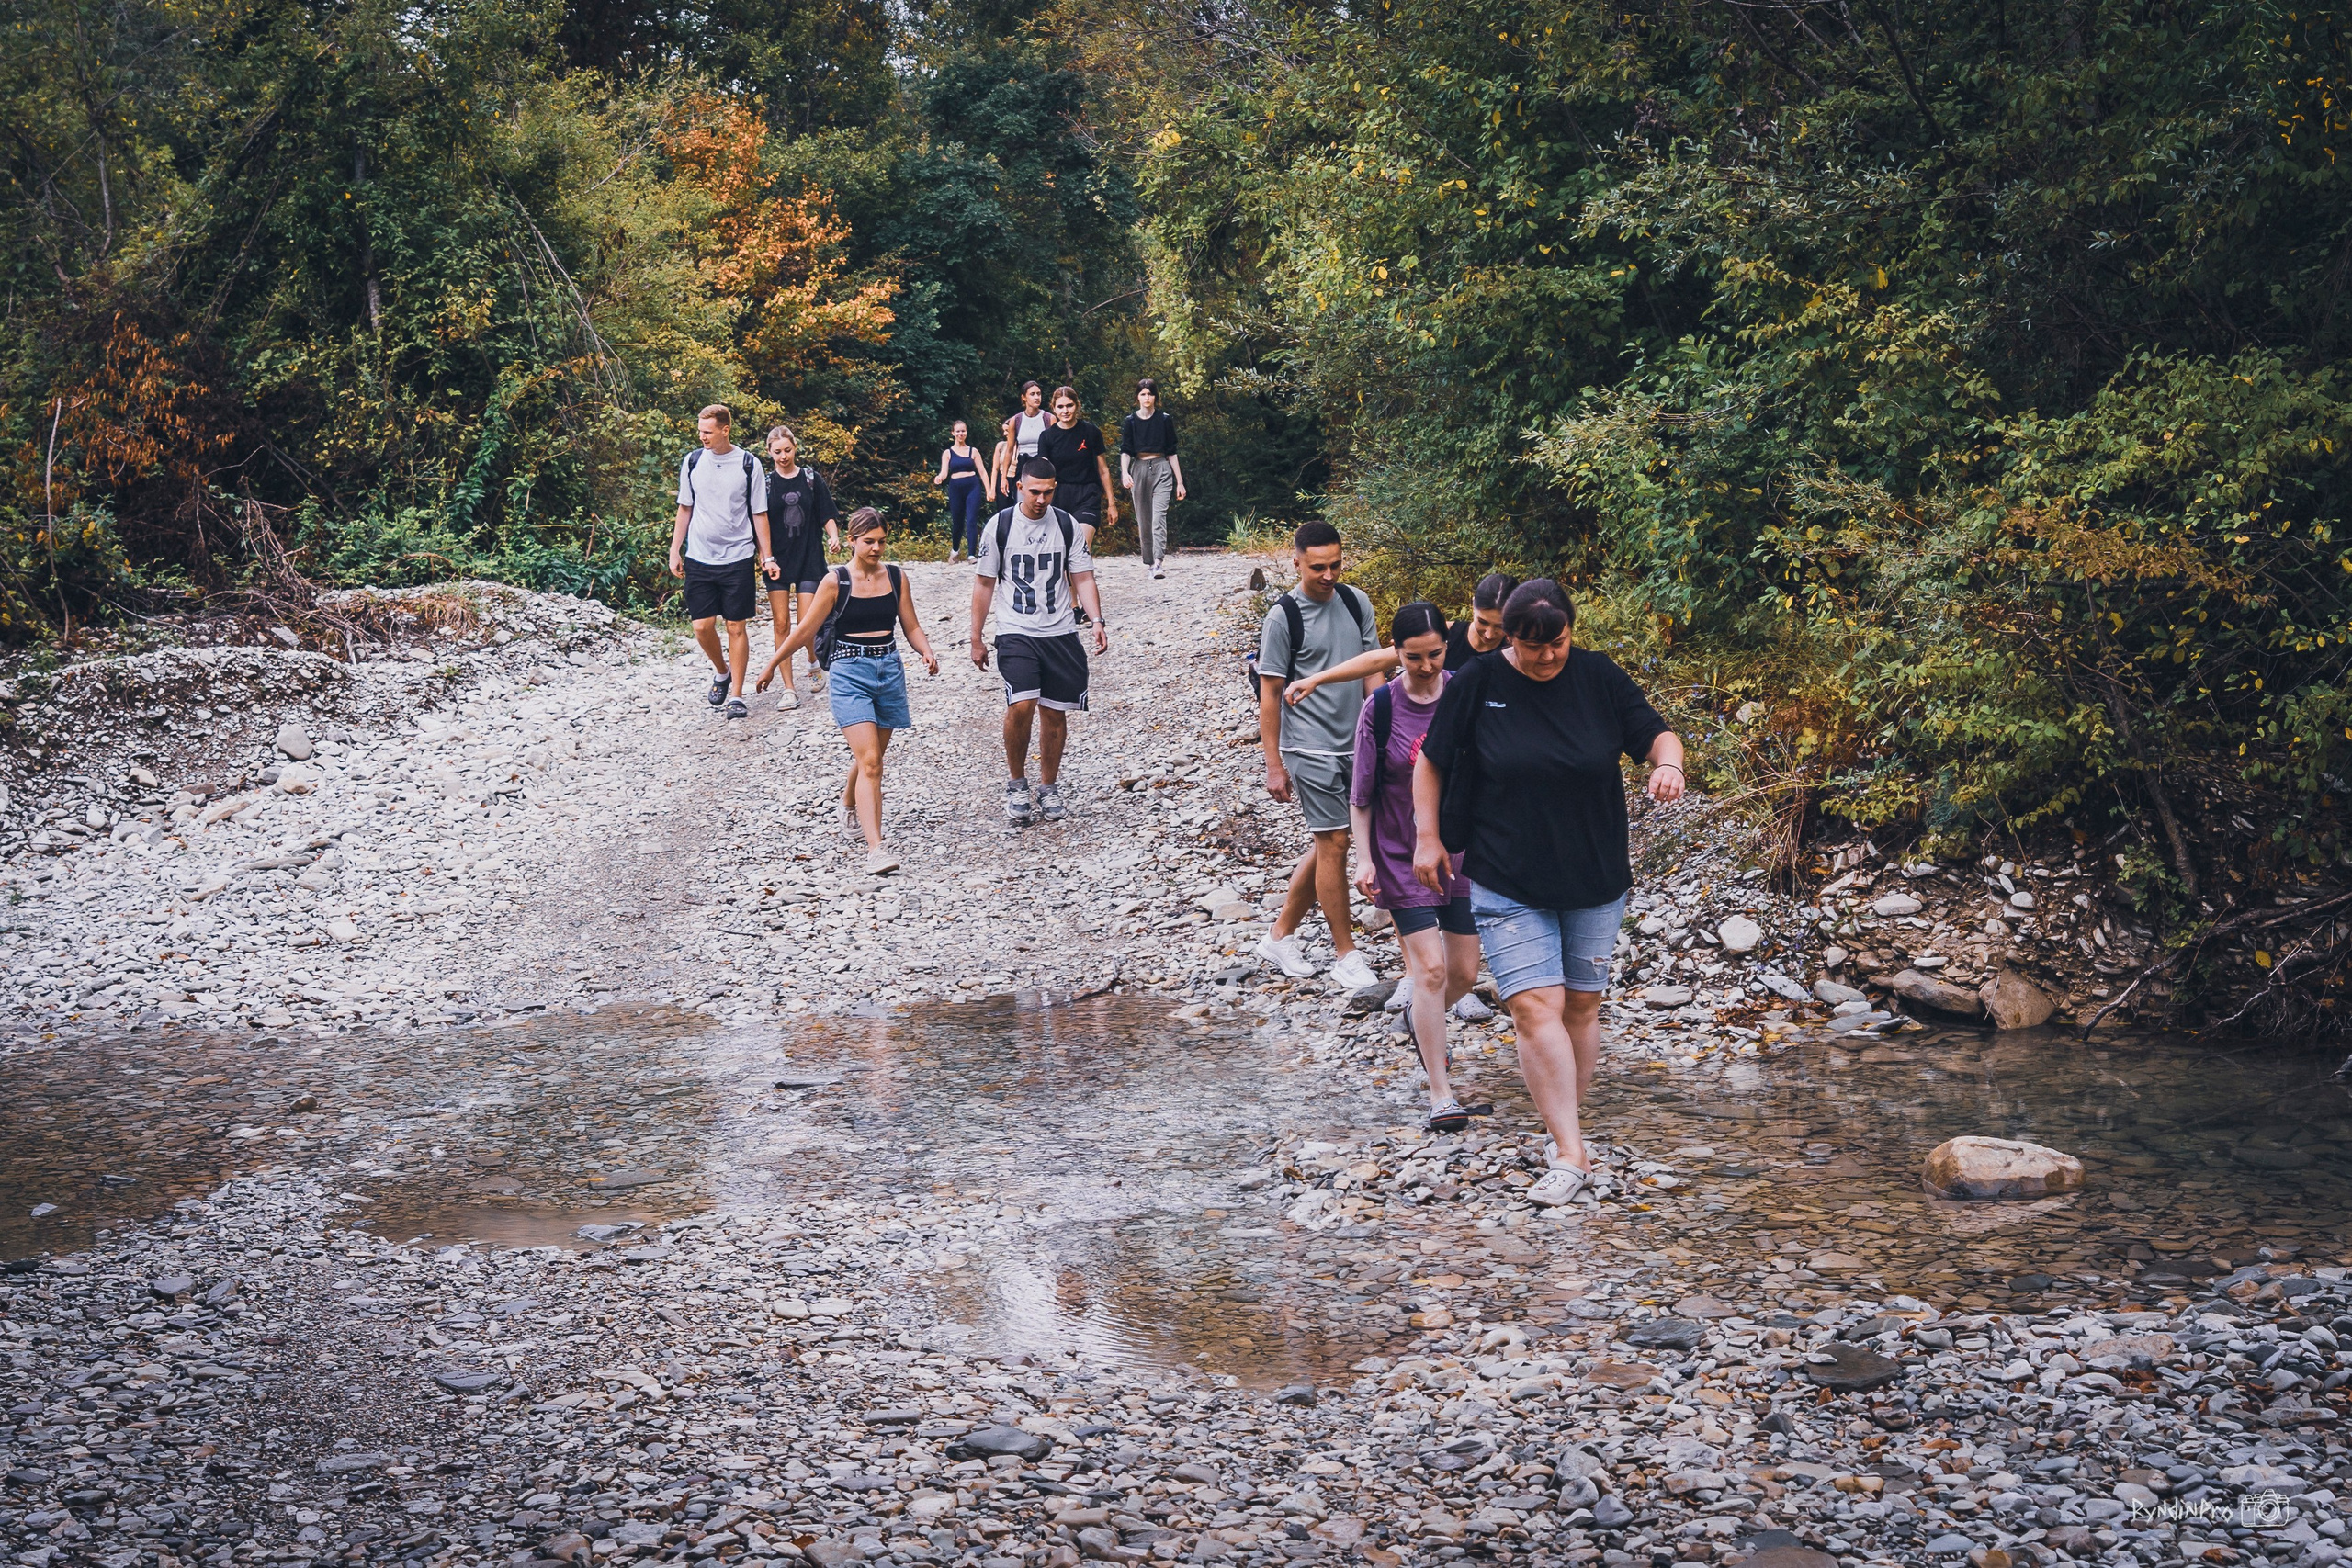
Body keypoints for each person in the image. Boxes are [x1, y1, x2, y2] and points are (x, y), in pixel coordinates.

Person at [1413, 579, 1688, 1206]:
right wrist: (1428, 838)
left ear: (1570, 629)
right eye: (1531, 646)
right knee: (1534, 1007)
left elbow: (1658, 734)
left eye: (1556, 642)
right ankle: (1571, 1152)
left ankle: (1562, 1122)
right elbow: (1431, 760)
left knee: (1581, 1008)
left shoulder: (1597, 676)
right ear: (1508, 637)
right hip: (1506, 874)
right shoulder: (1479, 683)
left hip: (1594, 874)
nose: (1546, 657)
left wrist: (1668, 764)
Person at [1350, 601, 1486, 1132]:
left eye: (1433, 655)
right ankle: (1440, 1092)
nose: (1425, 667)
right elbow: (1361, 796)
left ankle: (1417, 1018)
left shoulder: (1467, 692)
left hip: (1463, 854)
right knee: (1428, 970)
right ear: (1395, 652)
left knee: (1463, 974)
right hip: (1400, 855)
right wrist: (1364, 859)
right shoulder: (1380, 709)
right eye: (1412, 658)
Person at [758, 509, 941, 877]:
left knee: (870, 756)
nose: (876, 548)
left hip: (888, 669)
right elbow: (804, 631)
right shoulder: (835, 581)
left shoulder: (896, 576)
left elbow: (911, 625)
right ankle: (876, 850)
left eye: (881, 541)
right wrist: (771, 665)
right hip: (848, 671)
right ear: (852, 540)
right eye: (868, 541)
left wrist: (926, 650)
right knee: (872, 760)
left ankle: (848, 803)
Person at [1253, 521, 1382, 986]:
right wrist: (1273, 764)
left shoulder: (1355, 601)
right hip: (1308, 744)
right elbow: (1270, 693)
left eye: (1336, 565)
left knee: (1330, 842)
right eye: (1318, 567)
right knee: (1336, 843)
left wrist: (1385, 732)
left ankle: (1279, 935)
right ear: (1297, 563)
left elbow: (1373, 671)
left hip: (1356, 742)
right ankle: (1346, 954)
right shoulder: (1283, 616)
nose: (1329, 575)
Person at [971, 458, 1109, 826]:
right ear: (1019, 487)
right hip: (1015, 628)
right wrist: (976, 637)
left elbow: (1082, 577)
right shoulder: (999, 526)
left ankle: (1048, 786)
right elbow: (984, 584)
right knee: (1022, 703)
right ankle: (1017, 782)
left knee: (1054, 710)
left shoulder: (1066, 525)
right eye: (1034, 491)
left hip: (1060, 629)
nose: (1041, 499)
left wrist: (1096, 620)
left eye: (1048, 492)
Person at [670, 404, 779, 721]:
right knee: (702, 626)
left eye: (707, 431)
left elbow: (759, 513)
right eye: (700, 431)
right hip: (700, 556)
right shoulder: (692, 461)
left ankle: (736, 696)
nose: (702, 437)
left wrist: (766, 556)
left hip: (738, 556)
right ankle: (722, 671)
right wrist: (675, 550)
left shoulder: (748, 464)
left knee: (735, 625)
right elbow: (684, 508)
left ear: (725, 430)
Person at [1280, 571, 1518, 699]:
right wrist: (1316, 679)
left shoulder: (1519, 651)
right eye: (1482, 622)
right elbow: (1376, 660)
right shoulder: (1443, 633)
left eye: (1500, 626)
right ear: (1473, 604)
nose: (1489, 634)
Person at [763, 424, 842, 711]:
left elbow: (827, 513)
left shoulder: (811, 479)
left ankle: (812, 661)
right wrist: (764, 556)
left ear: (795, 448)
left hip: (809, 557)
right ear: (769, 452)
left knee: (807, 623)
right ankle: (788, 688)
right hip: (777, 562)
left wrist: (833, 536)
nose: (783, 456)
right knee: (781, 623)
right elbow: (759, 523)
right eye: (777, 452)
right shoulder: (766, 483)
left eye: (787, 450)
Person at [1035, 386, 1118, 547]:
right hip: (1058, 497)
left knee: (1081, 546)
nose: (1065, 411)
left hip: (1087, 494)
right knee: (1061, 550)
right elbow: (1043, 474)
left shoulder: (1091, 432)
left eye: (1069, 405)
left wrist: (1111, 503)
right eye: (1060, 406)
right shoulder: (1047, 437)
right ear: (1053, 408)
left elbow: (1103, 470)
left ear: (1077, 406)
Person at [1120, 378, 1186, 578]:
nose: (1146, 397)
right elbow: (1125, 450)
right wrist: (1125, 472)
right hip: (1139, 468)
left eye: (1150, 393)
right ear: (1137, 397)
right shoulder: (1130, 421)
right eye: (1142, 394)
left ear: (1155, 397)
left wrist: (1180, 482)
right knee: (1144, 518)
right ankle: (1149, 560)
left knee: (1159, 517)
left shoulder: (1164, 420)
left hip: (1162, 468)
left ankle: (1158, 561)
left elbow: (1172, 451)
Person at [934, 419, 993, 564]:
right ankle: (955, 550)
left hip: (972, 486)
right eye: (958, 431)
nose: (961, 433)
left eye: (963, 431)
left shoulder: (973, 451)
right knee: (957, 522)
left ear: (966, 432)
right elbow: (944, 472)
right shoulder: (948, 453)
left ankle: (972, 554)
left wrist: (989, 490)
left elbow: (983, 472)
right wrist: (939, 478)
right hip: (956, 488)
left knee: (972, 519)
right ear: (953, 433)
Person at [997, 381, 1050, 502]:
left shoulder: (1048, 418)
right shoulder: (1016, 420)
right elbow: (1009, 450)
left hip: (1042, 466)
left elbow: (1055, 448)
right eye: (1032, 394)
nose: (1037, 397)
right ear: (1024, 397)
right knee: (1022, 502)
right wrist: (1004, 477)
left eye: (1039, 394)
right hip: (1023, 467)